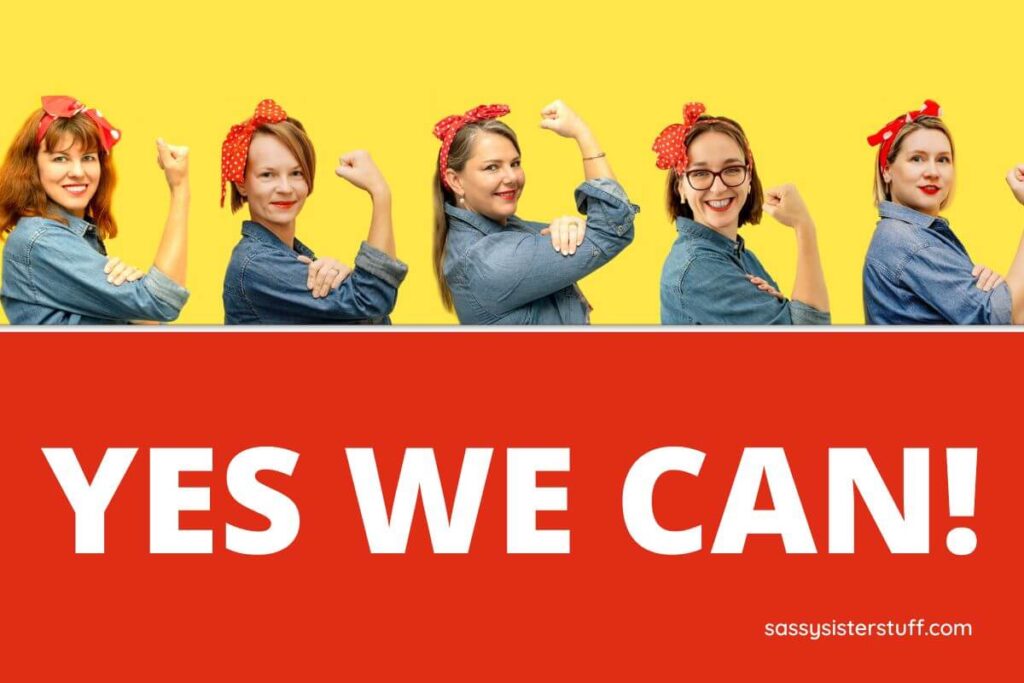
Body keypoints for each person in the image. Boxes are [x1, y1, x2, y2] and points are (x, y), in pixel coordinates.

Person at [432, 101, 636, 324]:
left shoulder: (502, 231)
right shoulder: (490, 261)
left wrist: (569, 226)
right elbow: (611, 230)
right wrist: (582, 133)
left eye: (515, 163)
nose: (511, 177)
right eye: (492, 167)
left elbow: (595, 230)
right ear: (455, 181)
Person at [0, 95, 190, 324]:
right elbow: (162, 301)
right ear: (32, 166)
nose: (78, 172)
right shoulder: (41, 239)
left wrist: (136, 309)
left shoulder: (75, 232)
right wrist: (179, 188)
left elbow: (147, 318)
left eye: (88, 157)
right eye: (60, 159)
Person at [221, 99, 407, 324]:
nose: (285, 188)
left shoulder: (293, 259)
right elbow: (373, 299)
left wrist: (348, 280)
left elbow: (369, 318)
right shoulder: (256, 265)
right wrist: (380, 193)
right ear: (241, 183)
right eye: (267, 175)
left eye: (296, 173)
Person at [656, 103, 830, 325]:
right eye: (700, 173)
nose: (718, 188)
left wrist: (783, 310)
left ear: (748, 177)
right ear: (680, 187)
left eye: (732, 170)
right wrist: (804, 227)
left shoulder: (741, 255)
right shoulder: (699, 267)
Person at [863, 100, 1024, 324]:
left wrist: (995, 293)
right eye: (917, 159)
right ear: (887, 170)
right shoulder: (910, 243)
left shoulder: (918, 236)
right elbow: (1003, 321)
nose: (932, 172)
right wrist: (998, 303)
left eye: (943, 160)